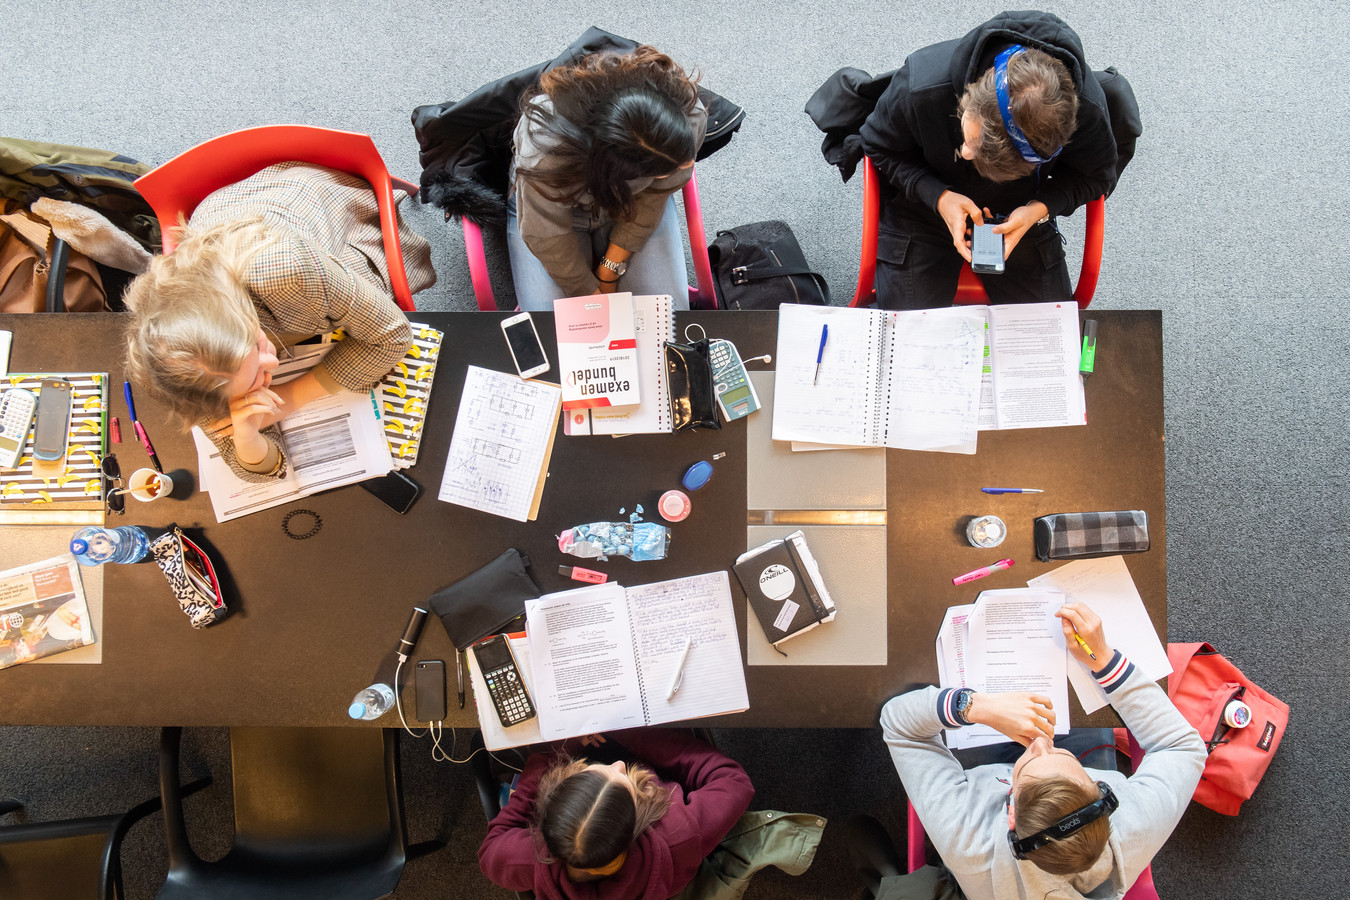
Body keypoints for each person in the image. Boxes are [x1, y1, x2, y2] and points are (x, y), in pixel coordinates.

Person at [853, 602, 1205, 900]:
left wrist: (971, 707)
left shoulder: (970, 844)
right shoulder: (1132, 826)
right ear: (1102, 795)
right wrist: (1105, 662)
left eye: (1029, 764)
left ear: (1010, 814)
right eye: (1065, 762)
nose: (1040, 741)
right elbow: (1184, 747)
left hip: (980, 791)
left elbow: (900, 727)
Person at [122, 162, 435, 483]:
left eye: (256, 344)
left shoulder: (287, 271)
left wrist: (286, 398)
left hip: (328, 206)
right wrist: (245, 435)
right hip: (237, 208)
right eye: (256, 374)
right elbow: (255, 469)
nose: (273, 359)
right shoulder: (177, 364)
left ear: (233, 309)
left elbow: (392, 336)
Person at [858, 11, 1120, 309]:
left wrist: (1038, 210)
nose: (965, 153)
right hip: (922, 210)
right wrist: (938, 196)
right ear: (969, 96)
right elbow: (878, 145)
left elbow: (1096, 176)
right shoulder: (920, 87)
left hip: (1018, 216)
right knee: (909, 341)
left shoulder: (1087, 114)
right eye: (968, 140)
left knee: (1045, 341)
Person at [507, 44, 706, 310]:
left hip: (634, 205)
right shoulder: (547, 154)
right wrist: (588, 293)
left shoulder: (687, 113)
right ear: (617, 167)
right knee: (553, 327)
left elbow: (654, 196)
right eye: (663, 168)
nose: (689, 165)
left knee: (668, 315)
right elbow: (546, 234)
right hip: (551, 215)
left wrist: (609, 271)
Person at [478, 728, 755, 900]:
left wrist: (556, 752)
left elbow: (490, 850)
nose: (619, 764)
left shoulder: (527, 859)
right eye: (626, 779)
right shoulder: (676, 835)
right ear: (639, 818)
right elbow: (733, 781)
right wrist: (626, 732)